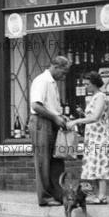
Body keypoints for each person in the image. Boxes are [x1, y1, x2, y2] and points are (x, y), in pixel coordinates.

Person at [66, 71, 109, 204]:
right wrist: (83, 114)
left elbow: (95, 117)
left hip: (99, 136)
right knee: (95, 165)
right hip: (93, 136)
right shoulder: (94, 97)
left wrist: (76, 121)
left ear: (94, 84)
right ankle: (99, 195)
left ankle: (102, 196)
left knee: (100, 165)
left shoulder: (100, 96)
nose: (85, 86)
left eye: (88, 84)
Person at [30, 56, 70, 206]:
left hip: (51, 122)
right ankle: (45, 197)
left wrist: (59, 116)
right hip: (41, 123)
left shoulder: (52, 82)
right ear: (56, 67)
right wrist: (55, 117)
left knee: (57, 160)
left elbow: (50, 105)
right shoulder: (42, 81)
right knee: (43, 161)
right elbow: (36, 105)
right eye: (63, 72)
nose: (64, 76)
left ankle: (58, 194)